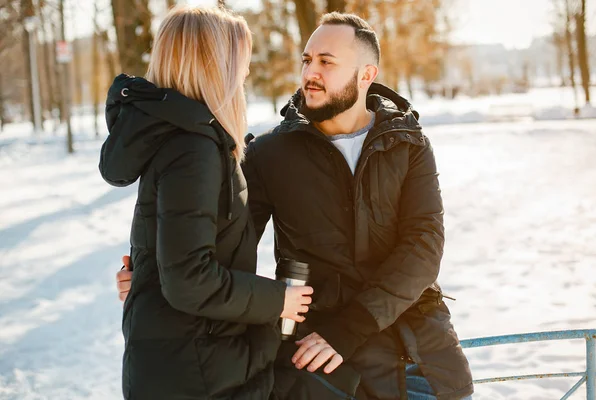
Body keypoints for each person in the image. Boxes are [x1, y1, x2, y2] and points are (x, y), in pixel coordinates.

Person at [117, 11, 474, 400]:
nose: (310, 73)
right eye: (307, 60)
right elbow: (219, 247)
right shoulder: (269, 155)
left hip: (418, 353)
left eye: (326, 62)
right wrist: (151, 275)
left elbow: (423, 248)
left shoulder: (408, 144)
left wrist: (349, 330)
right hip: (318, 363)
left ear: (366, 74)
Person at [100, 6, 312, 400]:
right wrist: (279, 300)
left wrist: (145, 278)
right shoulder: (192, 148)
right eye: (241, 62)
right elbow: (189, 279)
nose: (245, 73)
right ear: (217, 66)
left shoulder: (179, 139)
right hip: (197, 371)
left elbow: (173, 256)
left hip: (182, 360)